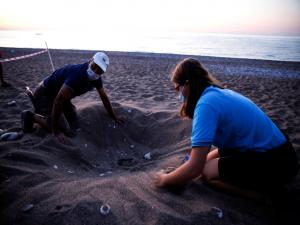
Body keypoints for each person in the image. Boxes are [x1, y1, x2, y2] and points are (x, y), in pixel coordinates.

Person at [154, 58, 299, 196]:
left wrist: (164, 180)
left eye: (177, 89)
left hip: (276, 163)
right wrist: (185, 167)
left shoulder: (206, 104)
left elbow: (195, 168)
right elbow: (204, 155)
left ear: (187, 84)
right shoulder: (219, 93)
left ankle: (263, 196)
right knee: (207, 160)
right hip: (282, 151)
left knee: (206, 172)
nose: (179, 95)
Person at [22, 52, 124, 143]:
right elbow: (58, 101)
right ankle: (30, 116)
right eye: (94, 66)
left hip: (61, 95)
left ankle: (45, 113)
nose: (95, 71)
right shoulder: (77, 75)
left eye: (100, 70)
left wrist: (114, 116)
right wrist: (55, 131)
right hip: (45, 94)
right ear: (90, 61)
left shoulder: (96, 79)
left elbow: (104, 97)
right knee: (63, 128)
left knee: (73, 119)